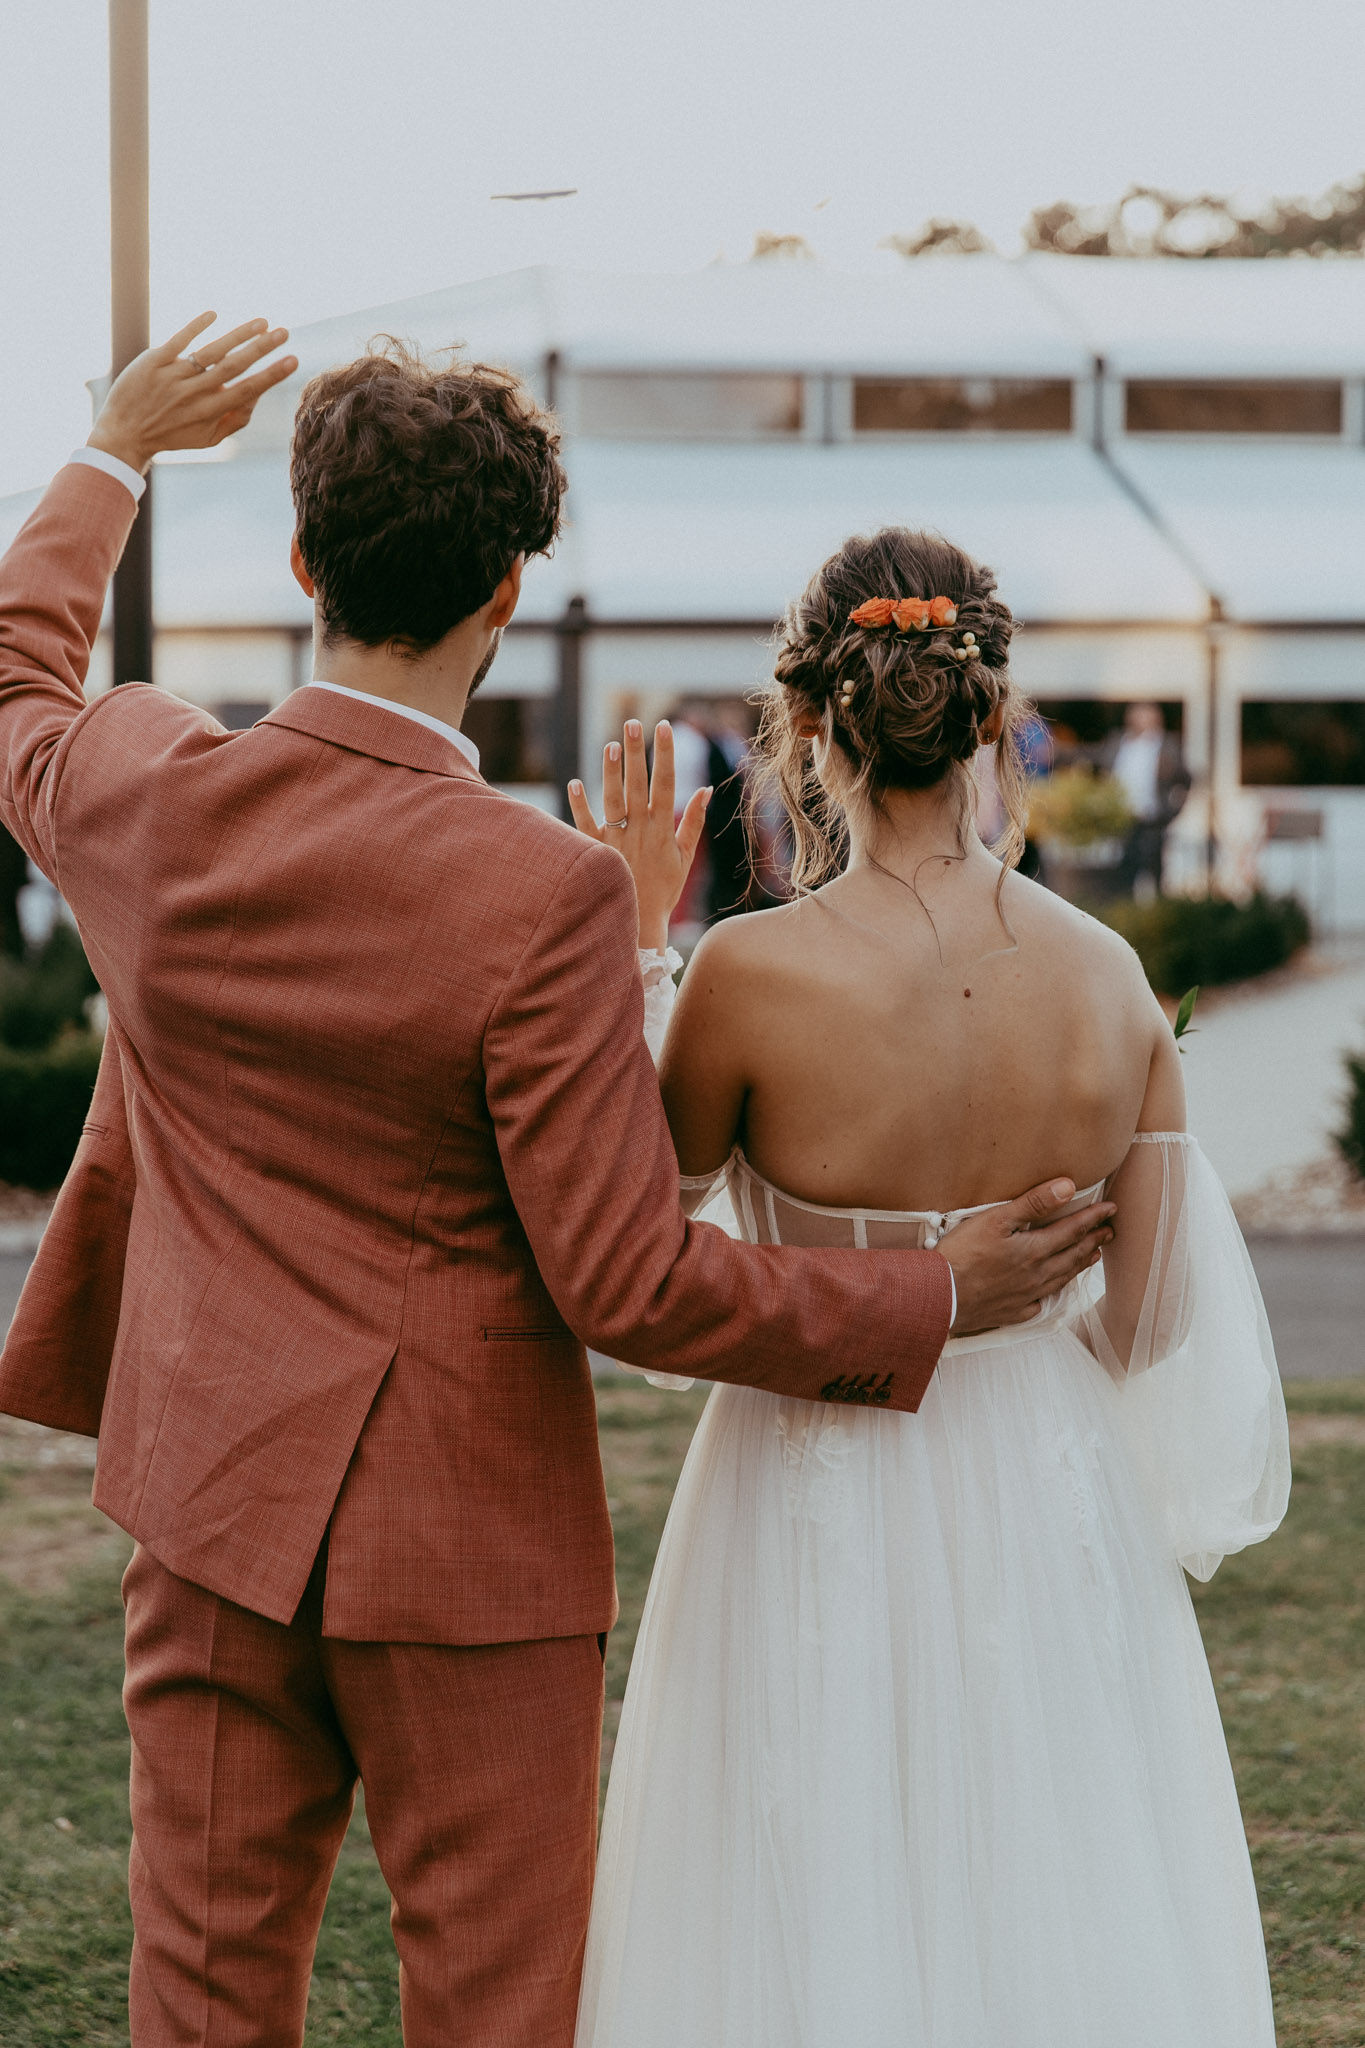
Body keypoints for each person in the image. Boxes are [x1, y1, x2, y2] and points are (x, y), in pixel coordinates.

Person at [0, 326, 1114, 2048]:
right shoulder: (547, 896)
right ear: (512, 586)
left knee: (201, 2006)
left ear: (305, 562)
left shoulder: (148, 790)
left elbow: (18, 677)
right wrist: (938, 1293)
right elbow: (635, 1281)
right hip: (470, 1557)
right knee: (497, 2014)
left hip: (206, 1509)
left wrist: (116, 449)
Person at [568, 533, 1290, 2048]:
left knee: (809, 1857)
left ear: (816, 729)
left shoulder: (747, 976)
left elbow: (630, 1244)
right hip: (1046, 1483)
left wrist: (640, 945)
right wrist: (1026, 1347)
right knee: (1049, 1867)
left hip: (808, 1467)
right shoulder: (1109, 980)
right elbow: (1153, 1324)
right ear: (989, 719)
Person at [1102, 700, 1191, 899]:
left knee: (1154, 872)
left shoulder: (1167, 745)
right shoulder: (1119, 741)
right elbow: (1102, 767)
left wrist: (1174, 810)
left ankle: (1155, 919)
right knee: (1123, 874)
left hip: (1152, 818)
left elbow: (1186, 779)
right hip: (1121, 819)